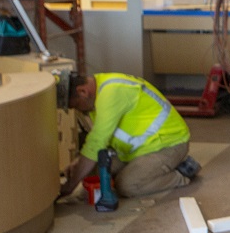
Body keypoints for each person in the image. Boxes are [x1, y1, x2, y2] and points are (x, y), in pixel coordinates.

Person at [59, 72, 201, 199]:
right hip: (136, 150)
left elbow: (96, 142)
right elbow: (99, 142)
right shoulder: (99, 93)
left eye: (76, 105)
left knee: (127, 185)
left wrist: (70, 186)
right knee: (91, 173)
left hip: (168, 144)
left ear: (83, 91)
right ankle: (146, 170)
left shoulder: (111, 93)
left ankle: (181, 174)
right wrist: (78, 164)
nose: (78, 109)